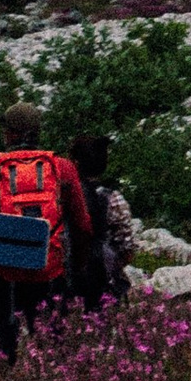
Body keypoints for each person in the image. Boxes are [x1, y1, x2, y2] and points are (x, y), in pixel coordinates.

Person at [0, 101, 91, 360]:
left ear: (8, 133)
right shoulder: (62, 168)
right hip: (50, 273)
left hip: (2, 276)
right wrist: (75, 270)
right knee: (56, 353)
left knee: (0, 355)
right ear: (37, 132)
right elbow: (83, 227)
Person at [67, 128, 133, 312]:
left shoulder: (64, 197)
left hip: (70, 278)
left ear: (75, 163)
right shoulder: (115, 199)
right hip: (104, 278)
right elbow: (126, 247)